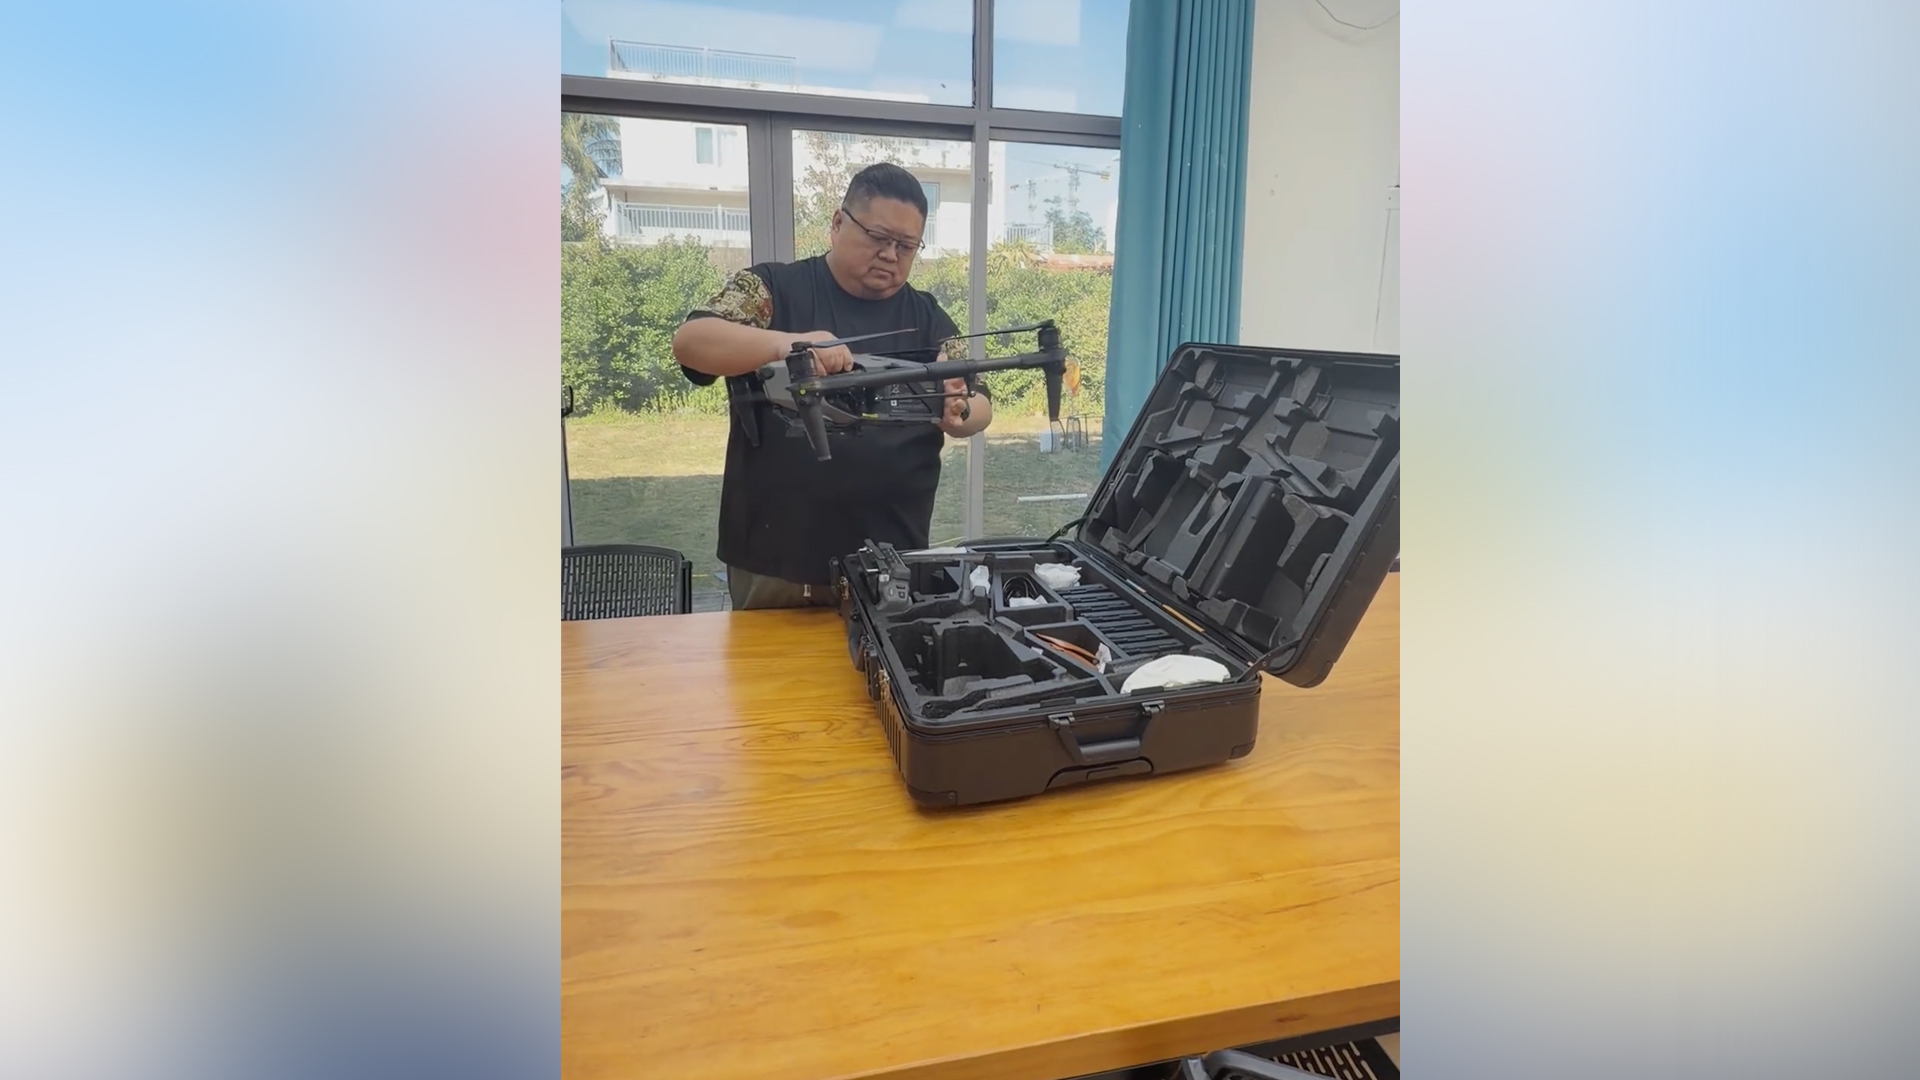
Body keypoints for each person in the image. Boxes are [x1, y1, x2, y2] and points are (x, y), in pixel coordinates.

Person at [673, 162, 994, 610]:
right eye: (879, 237)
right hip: (776, 563)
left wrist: (957, 407)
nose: (891, 255)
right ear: (839, 223)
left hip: (894, 561)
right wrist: (788, 345)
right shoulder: (771, 288)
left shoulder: (927, 316)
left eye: (906, 246)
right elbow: (691, 341)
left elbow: (980, 404)